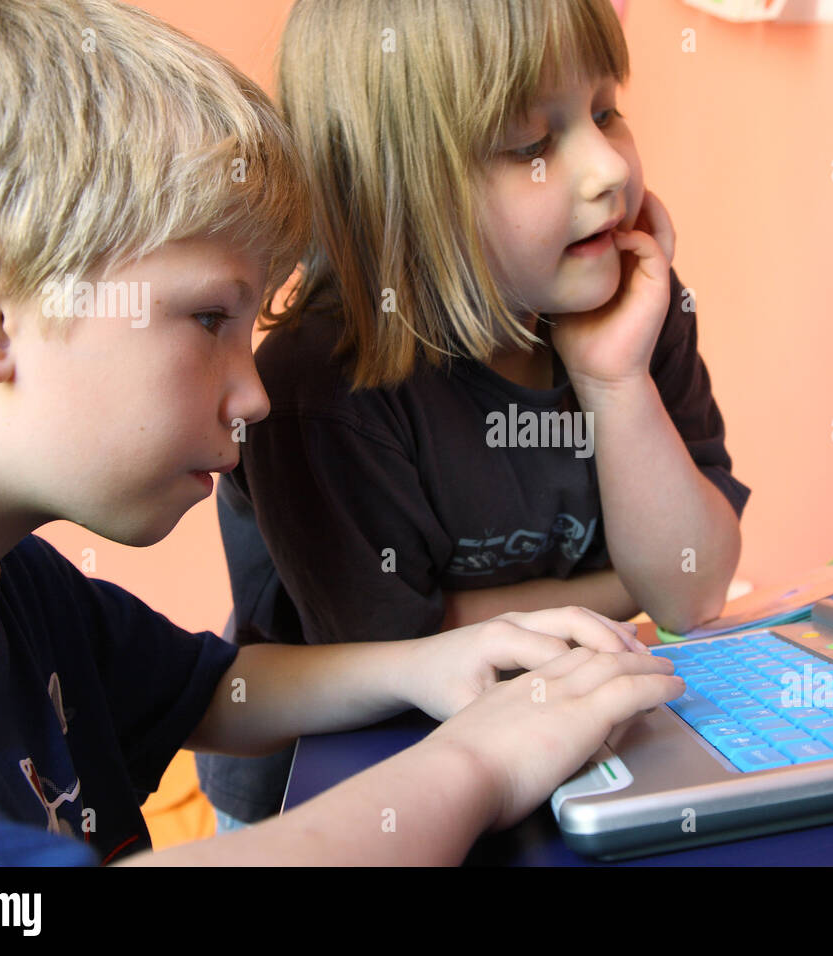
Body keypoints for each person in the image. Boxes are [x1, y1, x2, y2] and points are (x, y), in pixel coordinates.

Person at [0, 0, 682, 866]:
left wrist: (428, 664)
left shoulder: (16, 584)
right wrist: (479, 762)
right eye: (208, 317)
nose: (256, 394)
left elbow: (213, 694)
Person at [201, 0, 750, 827]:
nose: (606, 167)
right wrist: (630, 583)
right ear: (392, 198)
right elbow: (408, 655)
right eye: (532, 145)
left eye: (606, 111)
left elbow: (691, 589)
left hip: (561, 734)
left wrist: (614, 381)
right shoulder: (318, 389)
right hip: (335, 780)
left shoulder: (633, 310)